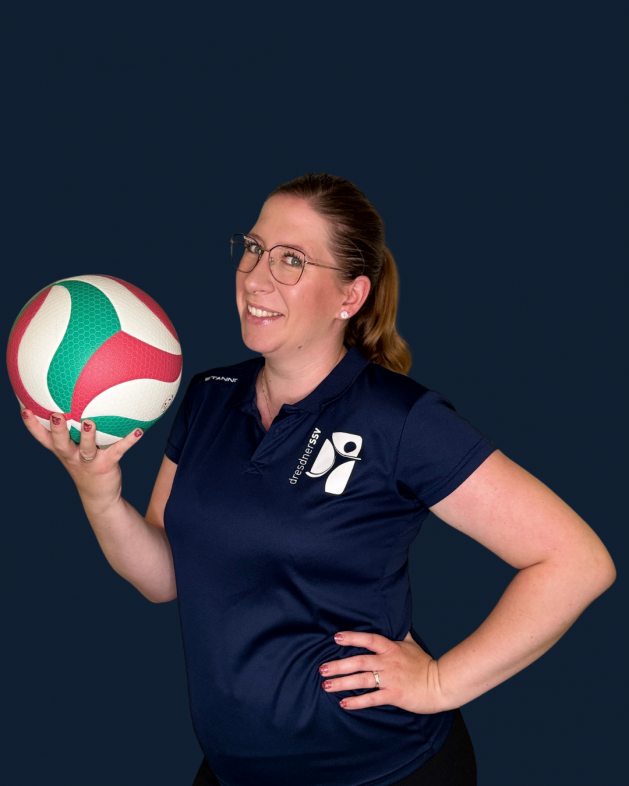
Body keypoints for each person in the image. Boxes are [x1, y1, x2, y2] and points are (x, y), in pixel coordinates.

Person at [20, 173, 616, 786]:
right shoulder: (207, 397)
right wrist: (100, 494)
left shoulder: (399, 419)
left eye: (291, 260)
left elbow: (576, 561)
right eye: (253, 248)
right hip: (234, 771)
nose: (256, 278)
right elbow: (167, 578)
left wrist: (440, 683)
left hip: (381, 771)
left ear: (349, 297)